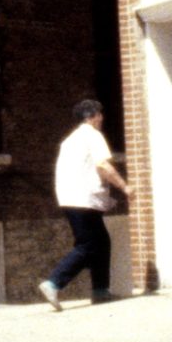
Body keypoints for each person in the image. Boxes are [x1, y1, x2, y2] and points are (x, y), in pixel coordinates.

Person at [42, 96, 128, 309]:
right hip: (84, 199)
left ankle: (100, 290)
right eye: (100, 114)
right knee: (88, 245)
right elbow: (102, 166)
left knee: (101, 242)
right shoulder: (93, 136)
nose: (102, 118)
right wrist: (124, 187)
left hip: (70, 198)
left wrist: (105, 198)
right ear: (93, 116)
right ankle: (53, 283)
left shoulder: (70, 140)